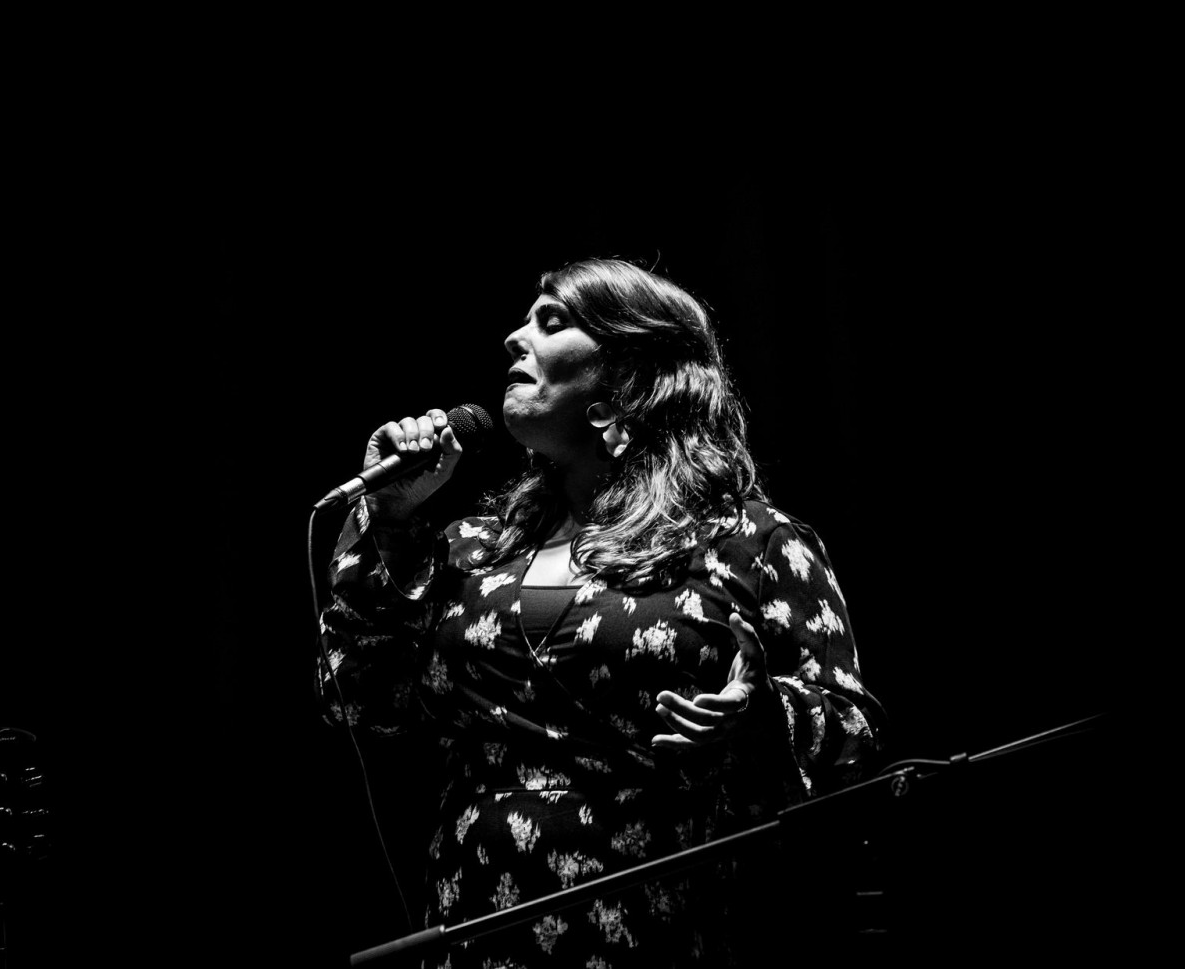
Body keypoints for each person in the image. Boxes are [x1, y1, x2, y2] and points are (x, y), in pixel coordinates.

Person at [317, 257, 886, 967]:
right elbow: (361, 703)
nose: (513, 338)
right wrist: (392, 520)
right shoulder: (472, 550)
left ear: (629, 372)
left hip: (663, 924)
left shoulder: (746, 541)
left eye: (551, 320)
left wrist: (763, 716)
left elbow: (855, 736)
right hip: (477, 926)